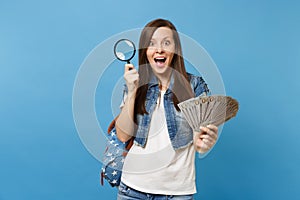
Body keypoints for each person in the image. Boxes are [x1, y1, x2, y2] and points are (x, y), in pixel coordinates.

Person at [115, 18, 218, 200]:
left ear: (175, 50)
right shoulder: (135, 82)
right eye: (152, 43)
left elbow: (200, 136)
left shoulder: (195, 86)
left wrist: (204, 142)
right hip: (132, 189)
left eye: (166, 43)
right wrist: (132, 91)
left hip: (177, 193)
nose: (159, 49)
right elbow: (123, 135)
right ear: (145, 51)